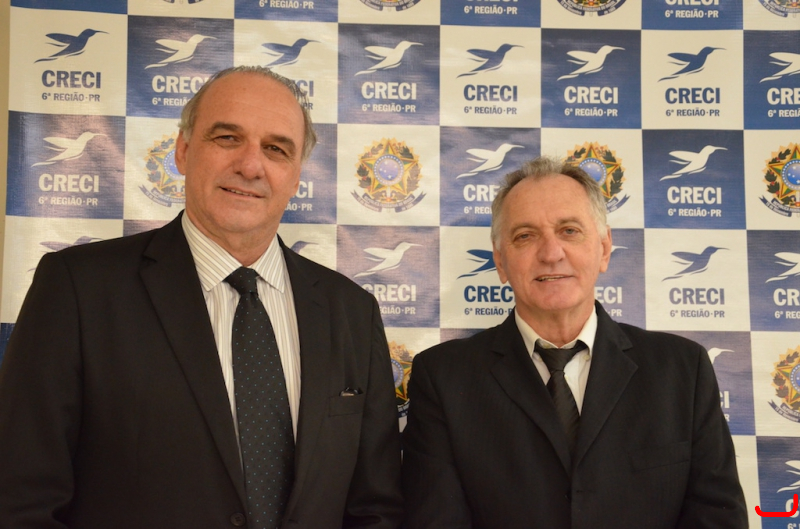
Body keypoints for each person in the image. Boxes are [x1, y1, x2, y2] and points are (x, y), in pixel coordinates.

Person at [0, 66, 403, 529]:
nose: (250, 166)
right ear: (183, 150)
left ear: (296, 177)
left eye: (276, 149)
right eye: (228, 138)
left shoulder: (351, 311)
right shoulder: (79, 288)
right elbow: (22, 498)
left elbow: (375, 508)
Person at [401, 156, 747, 528]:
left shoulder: (683, 369)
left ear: (604, 248)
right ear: (500, 262)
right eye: (525, 236)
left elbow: (717, 519)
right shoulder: (444, 377)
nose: (551, 254)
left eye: (569, 230)